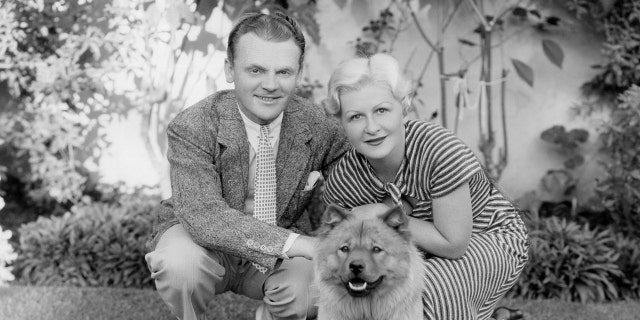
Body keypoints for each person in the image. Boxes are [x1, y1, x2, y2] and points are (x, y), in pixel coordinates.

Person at [145, 12, 349, 320]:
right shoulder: (193, 125)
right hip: (203, 244)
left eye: (283, 72)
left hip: (283, 244)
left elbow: (355, 181)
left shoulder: (321, 126)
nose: (270, 85)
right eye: (256, 70)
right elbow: (204, 217)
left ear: (299, 73)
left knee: (315, 290)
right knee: (180, 265)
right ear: (230, 69)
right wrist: (301, 244)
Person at [321, 53, 529, 320]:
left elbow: (454, 244)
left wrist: (377, 213)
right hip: (416, 250)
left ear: (403, 106)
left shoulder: (438, 149)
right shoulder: (344, 182)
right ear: (341, 122)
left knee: (425, 291)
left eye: (381, 110)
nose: (371, 127)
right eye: (356, 117)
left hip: (488, 235)